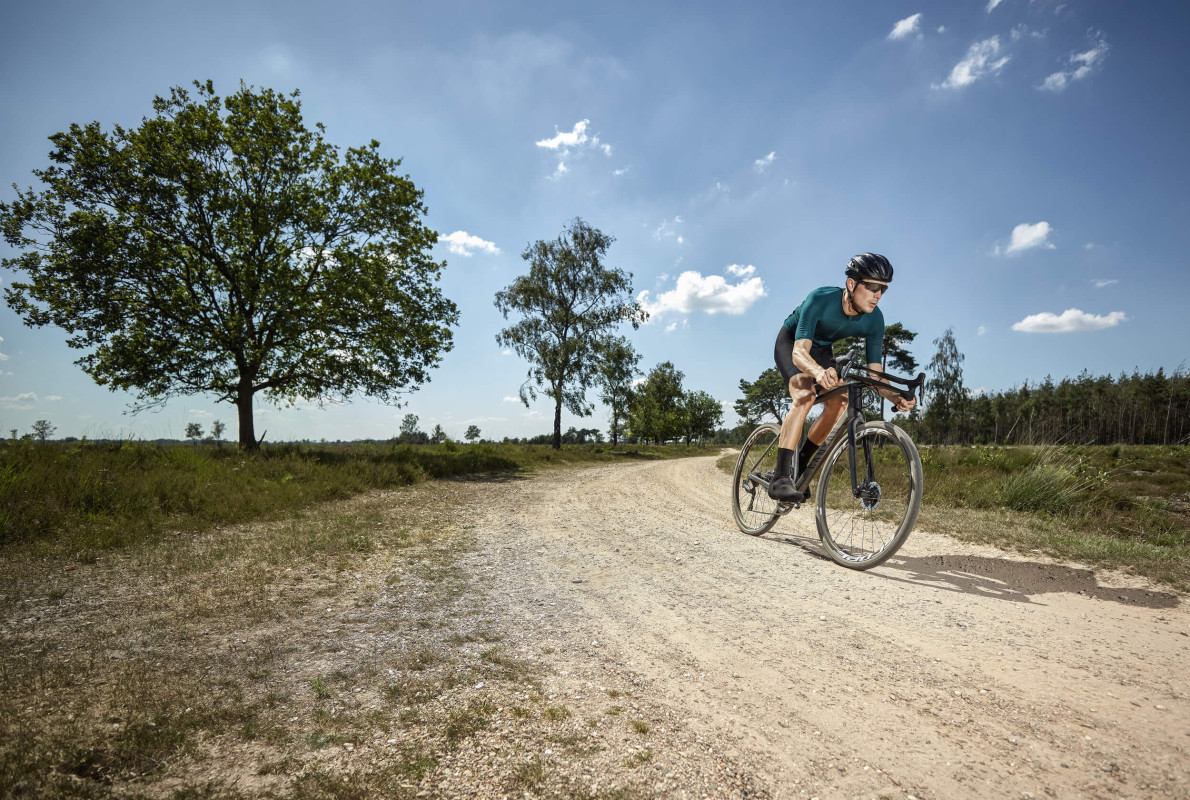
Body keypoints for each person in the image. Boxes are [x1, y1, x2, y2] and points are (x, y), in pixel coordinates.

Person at [768, 253, 916, 501]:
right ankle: (780, 478)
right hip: (794, 343)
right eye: (872, 287)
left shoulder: (875, 319)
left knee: (841, 401)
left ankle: (800, 466)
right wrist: (817, 372)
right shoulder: (821, 299)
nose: (878, 295)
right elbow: (799, 352)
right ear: (852, 284)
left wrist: (895, 396)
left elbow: (875, 374)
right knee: (805, 395)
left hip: (823, 350)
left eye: (883, 290)